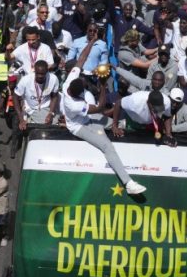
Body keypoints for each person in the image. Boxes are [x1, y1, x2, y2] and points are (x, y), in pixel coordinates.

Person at [61, 65, 145, 195]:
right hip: (79, 127)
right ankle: (128, 183)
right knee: (107, 146)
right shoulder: (72, 104)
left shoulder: (68, 83)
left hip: (90, 117)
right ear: (77, 94)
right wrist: (103, 85)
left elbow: (81, 60)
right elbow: (100, 107)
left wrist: (91, 43)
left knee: (122, 124)